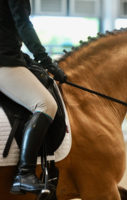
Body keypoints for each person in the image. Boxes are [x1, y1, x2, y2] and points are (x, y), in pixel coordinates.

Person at [0, 0, 67, 194]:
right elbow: (23, 24)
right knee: (46, 104)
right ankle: (24, 174)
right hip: (4, 63)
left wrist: (26, 59)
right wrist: (46, 61)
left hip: (9, 56)